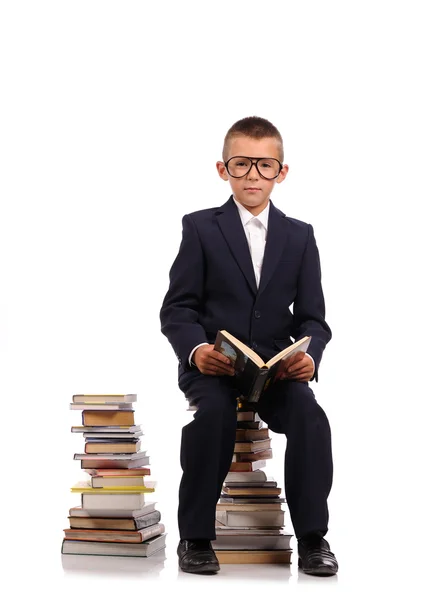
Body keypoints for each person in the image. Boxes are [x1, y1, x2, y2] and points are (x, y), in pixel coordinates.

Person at [159, 116, 338, 577]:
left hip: (275, 371)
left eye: (264, 165)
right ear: (223, 170)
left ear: (282, 172)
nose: (253, 175)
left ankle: (314, 539)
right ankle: (196, 538)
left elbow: (314, 318)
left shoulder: (300, 235)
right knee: (213, 417)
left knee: (310, 417)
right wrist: (197, 351)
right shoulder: (200, 227)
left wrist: (309, 355)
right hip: (215, 366)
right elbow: (177, 309)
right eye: (241, 165)